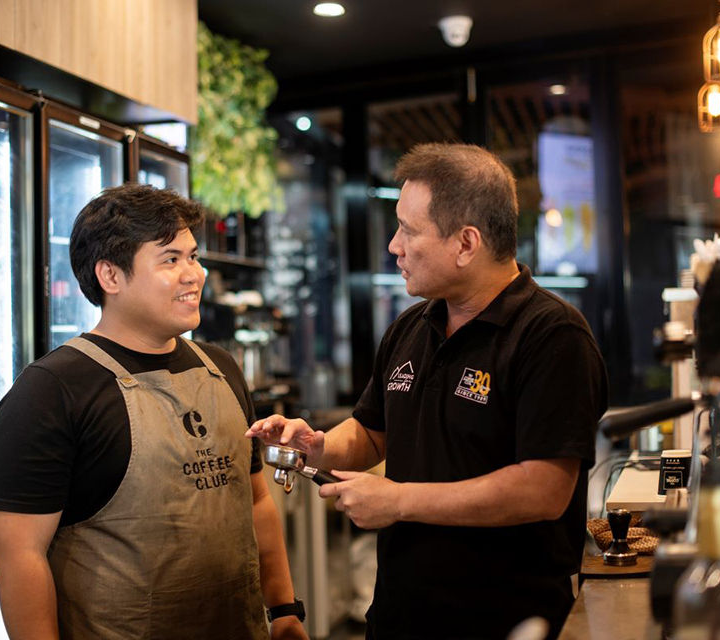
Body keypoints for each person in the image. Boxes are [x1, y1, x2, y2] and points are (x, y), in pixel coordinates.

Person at [247, 143, 608, 640]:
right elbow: (374, 433)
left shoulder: (552, 335)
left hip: (508, 619)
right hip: (401, 613)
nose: (394, 246)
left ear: (466, 243)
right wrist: (318, 444)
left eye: (408, 230)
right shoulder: (411, 326)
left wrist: (399, 501)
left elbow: (544, 489)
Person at [0, 184, 308, 640]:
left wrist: (285, 609)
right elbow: (16, 553)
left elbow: (253, 501)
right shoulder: (50, 392)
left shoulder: (221, 369)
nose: (193, 274)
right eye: (170, 259)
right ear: (110, 276)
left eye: (193, 257)